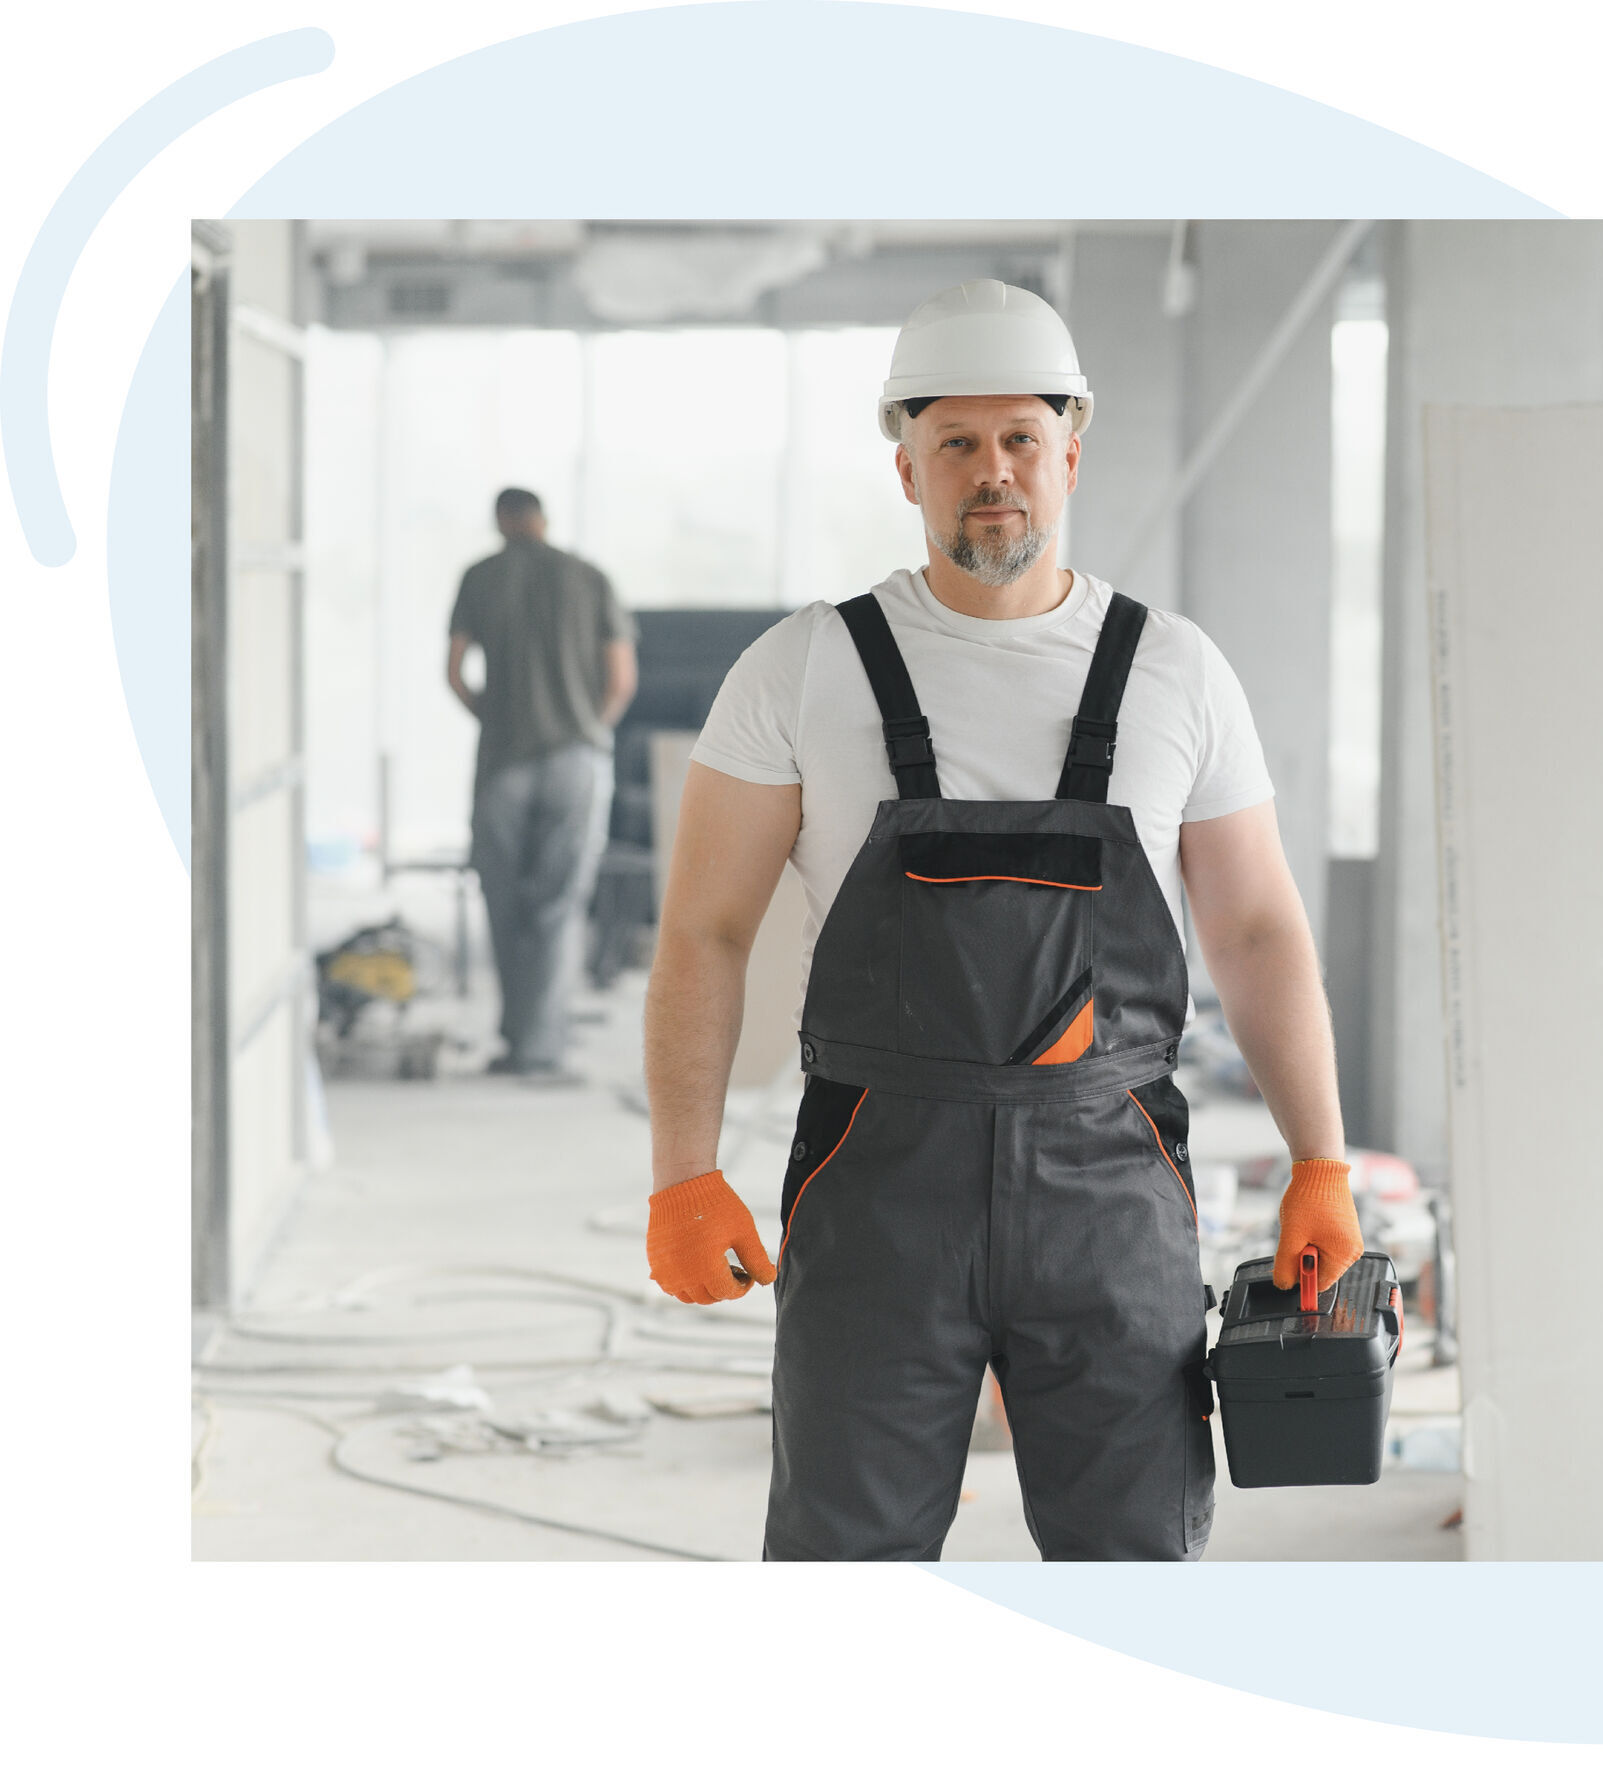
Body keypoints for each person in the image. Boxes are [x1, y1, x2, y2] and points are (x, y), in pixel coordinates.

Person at [641, 279, 1363, 1562]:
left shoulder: (1175, 671)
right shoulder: (802, 670)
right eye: (957, 442)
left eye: (1021, 437)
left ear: (1070, 452)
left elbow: (1256, 930)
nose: (994, 472)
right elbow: (703, 930)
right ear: (905, 465)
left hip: (1109, 1188)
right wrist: (683, 1173)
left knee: (1129, 1564)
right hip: (877, 1188)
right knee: (845, 1563)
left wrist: (1321, 1160)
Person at [446, 488, 638, 1079]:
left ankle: (515, 1038)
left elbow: (454, 671)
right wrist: (590, 729)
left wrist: (490, 716)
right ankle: (543, 1048)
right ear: (543, 520)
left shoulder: (480, 576)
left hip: (503, 759)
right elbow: (621, 678)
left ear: (501, 521)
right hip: (575, 760)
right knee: (558, 903)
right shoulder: (589, 577)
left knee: (504, 901)